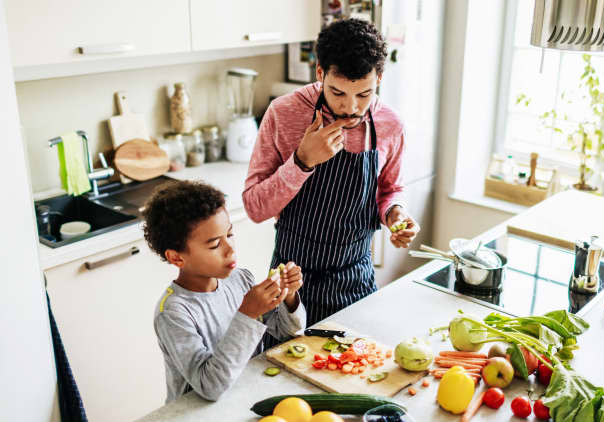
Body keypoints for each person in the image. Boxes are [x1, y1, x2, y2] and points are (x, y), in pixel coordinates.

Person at [243, 19, 419, 329]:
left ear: (379, 77)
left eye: (364, 94)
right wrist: (301, 162)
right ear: (320, 72)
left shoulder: (391, 124)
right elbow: (255, 208)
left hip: (355, 281)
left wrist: (395, 214)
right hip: (290, 285)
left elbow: (390, 190)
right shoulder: (284, 114)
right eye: (338, 93)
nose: (350, 108)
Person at [143, 180, 306, 402]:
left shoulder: (240, 280)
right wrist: (247, 314)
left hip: (245, 399)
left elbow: (288, 334)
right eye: (214, 245)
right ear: (177, 257)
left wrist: (289, 297)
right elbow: (210, 386)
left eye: (229, 235)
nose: (230, 250)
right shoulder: (173, 313)